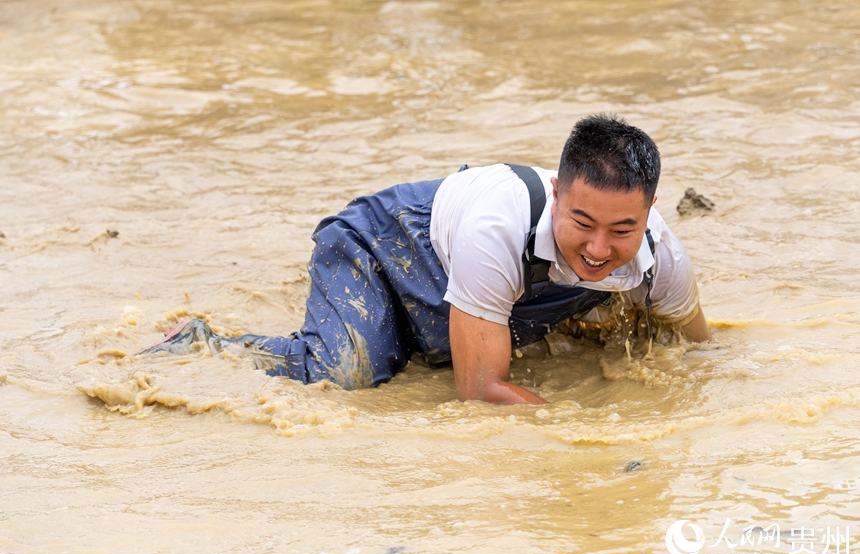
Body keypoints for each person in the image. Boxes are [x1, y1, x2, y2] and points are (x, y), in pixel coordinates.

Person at [138, 114, 709, 404]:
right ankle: (202, 340)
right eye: (582, 223)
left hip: (471, 284)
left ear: (651, 210)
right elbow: (480, 393)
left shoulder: (662, 259)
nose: (599, 249)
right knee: (350, 375)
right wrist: (599, 435)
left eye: (622, 229)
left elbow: (696, 345)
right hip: (384, 248)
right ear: (557, 193)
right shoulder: (498, 229)